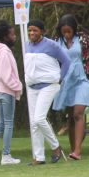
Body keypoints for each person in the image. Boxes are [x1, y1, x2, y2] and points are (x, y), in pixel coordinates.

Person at [52, 14, 89, 160]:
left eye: (69, 31)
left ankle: (78, 151)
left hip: (83, 79)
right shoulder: (57, 41)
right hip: (67, 81)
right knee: (71, 117)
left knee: (78, 113)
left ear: (74, 29)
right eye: (64, 31)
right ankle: (73, 149)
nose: (66, 34)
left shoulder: (84, 39)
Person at [24, 18, 70, 165]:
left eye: (35, 30)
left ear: (42, 32)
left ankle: (55, 147)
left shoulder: (52, 45)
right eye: (29, 30)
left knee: (39, 118)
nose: (32, 33)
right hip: (32, 87)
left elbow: (66, 61)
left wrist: (60, 78)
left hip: (49, 85)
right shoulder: (26, 45)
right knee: (34, 123)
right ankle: (39, 157)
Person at [0, 20, 23, 166]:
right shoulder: (4, 52)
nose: (14, 37)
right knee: (8, 123)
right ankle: (6, 155)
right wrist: (18, 86)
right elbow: (6, 75)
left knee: (0, 123)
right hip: (6, 91)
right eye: (12, 34)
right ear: (5, 36)